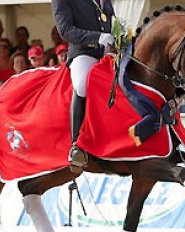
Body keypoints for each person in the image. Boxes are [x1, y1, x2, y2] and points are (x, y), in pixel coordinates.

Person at [52, 0, 115, 172]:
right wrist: (97, 38)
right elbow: (65, 30)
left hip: (109, 53)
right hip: (83, 53)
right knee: (81, 85)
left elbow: (111, 22)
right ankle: (76, 146)